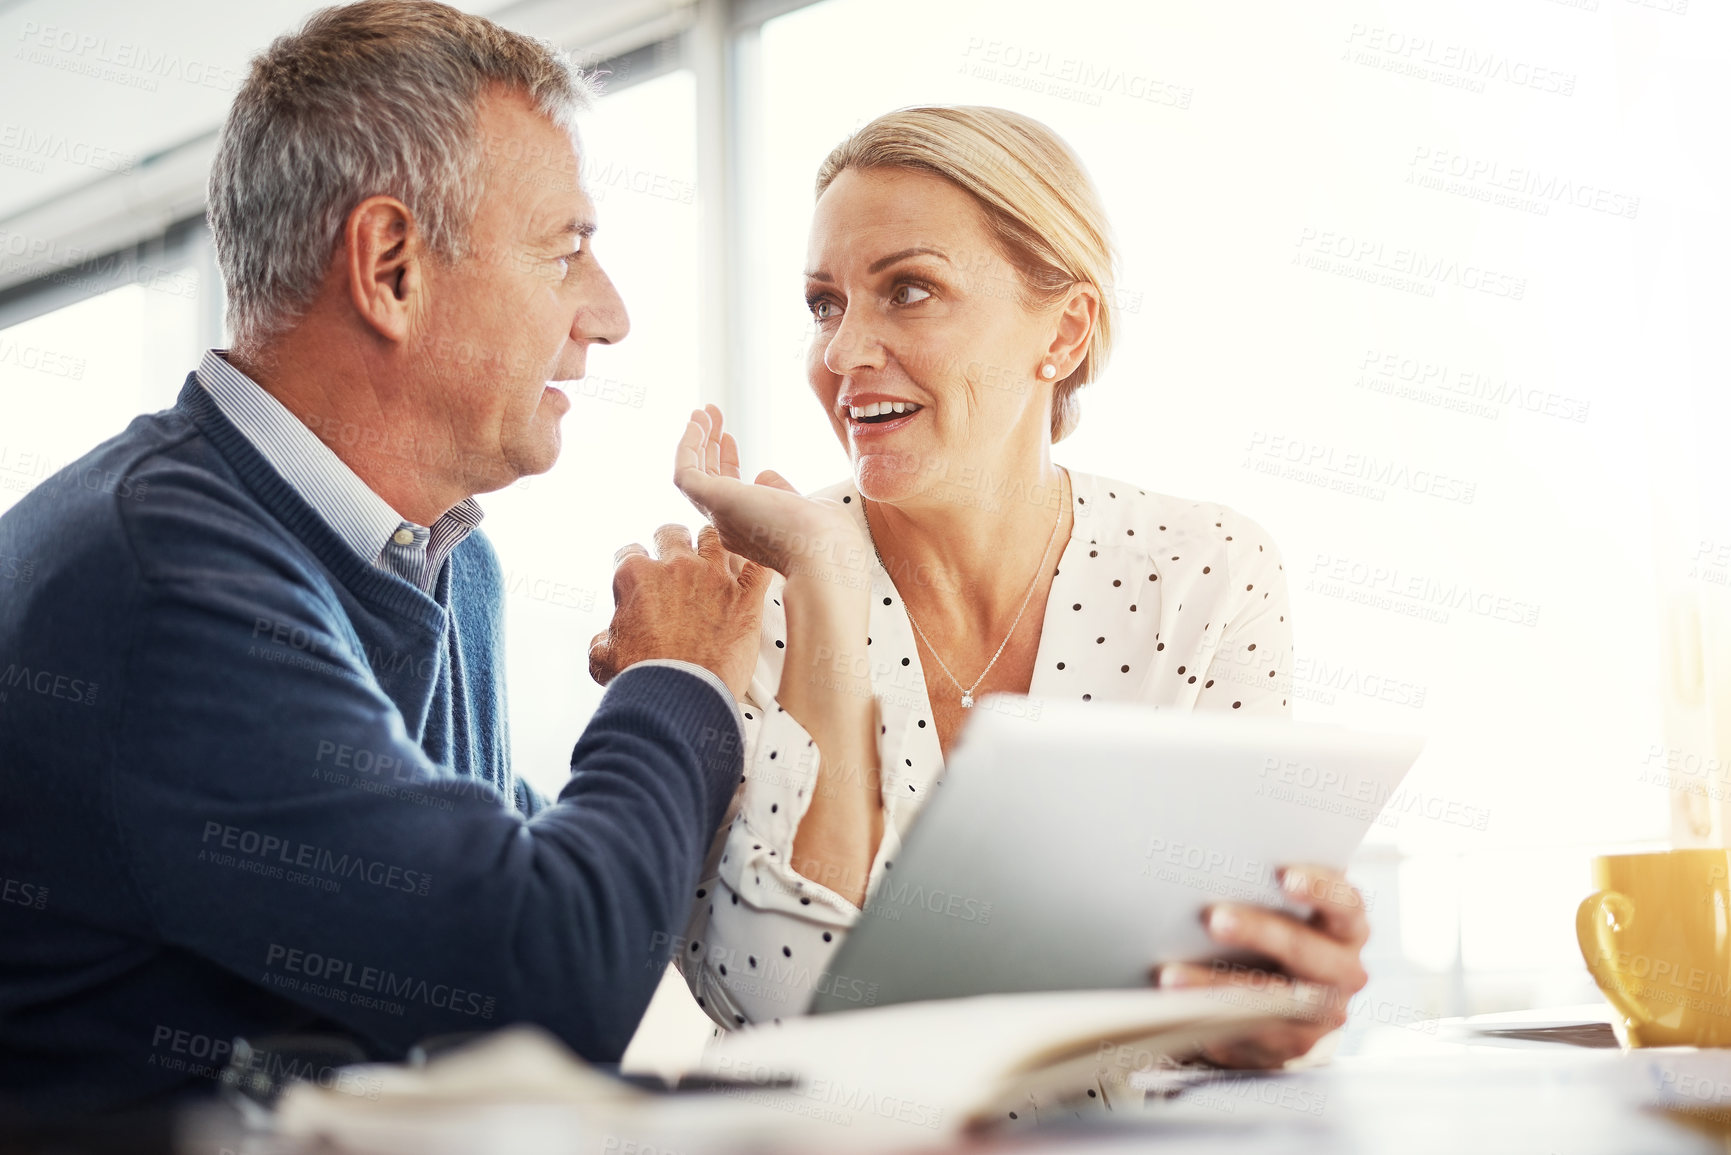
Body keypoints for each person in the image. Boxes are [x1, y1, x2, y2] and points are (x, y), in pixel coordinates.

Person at [0, 0, 767, 1113]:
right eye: (566, 252)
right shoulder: (161, 576)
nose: (608, 316)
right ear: (392, 267)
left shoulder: (449, 567)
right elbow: (545, 985)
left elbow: (494, 937)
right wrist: (678, 679)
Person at [661, 106, 1368, 1069]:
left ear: (1065, 331)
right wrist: (824, 577)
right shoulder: (745, 595)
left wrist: (1271, 996)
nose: (841, 352)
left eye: (907, 290)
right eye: (825, 304)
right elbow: (781, 1013)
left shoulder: (1204, 572)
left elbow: (1222, 983)